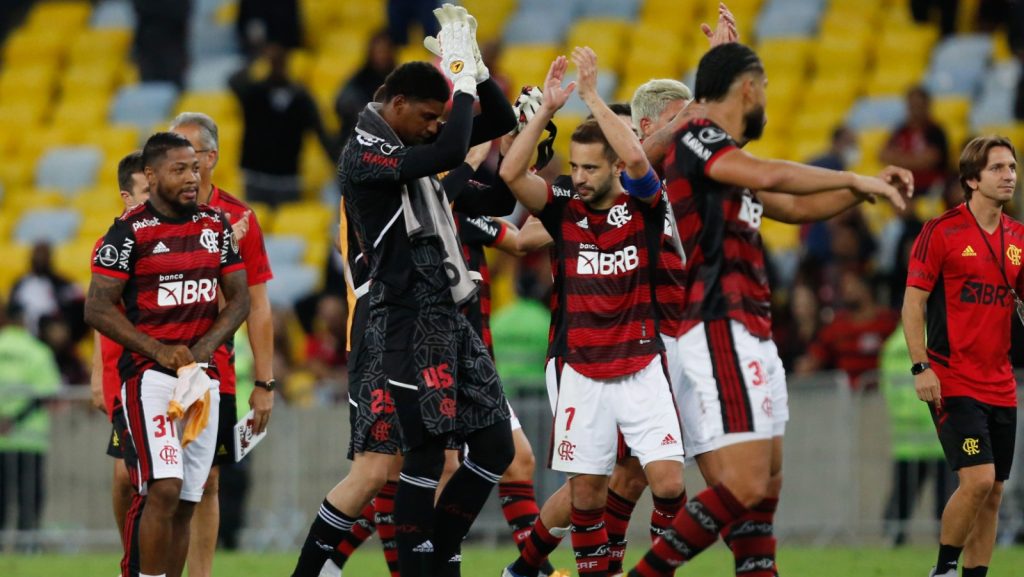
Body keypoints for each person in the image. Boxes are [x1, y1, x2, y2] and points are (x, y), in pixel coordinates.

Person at [625, 42, 912, 577]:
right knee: (746, 482)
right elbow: (774, 177)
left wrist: (860, 195)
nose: (766, 101)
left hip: (751, 325)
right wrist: (853, 177)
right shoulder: (697, 137)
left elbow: (797, 205)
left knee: (768, 483)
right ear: (749, 88)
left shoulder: (726, 162)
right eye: (765, 90)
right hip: (718, 321)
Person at [290, 5, 517, 577]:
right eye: (428, 116)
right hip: (404, 319)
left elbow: (491, 123)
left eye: (441, 116)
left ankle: (435, 554)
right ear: (395, 107)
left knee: (494, 446)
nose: (437, 126)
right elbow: (451, 152)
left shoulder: (403, 144)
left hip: (448, 313)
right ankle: (423, 566)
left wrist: (478, 74)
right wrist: (459, 78)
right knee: (408, 460)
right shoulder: (364, 153)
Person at [500, 48, 687, 577]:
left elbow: (640, 162)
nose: (578, 177)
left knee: (668, 483)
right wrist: (548, 110)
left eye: (589, 168)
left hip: (642, 361)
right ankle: (552, 569)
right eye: (575, 167)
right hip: (580, 364)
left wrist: (592, 98)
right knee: (588, 490)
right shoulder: (563, 209)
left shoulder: (644, 206)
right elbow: (514, 174)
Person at [85, 132, 250, 577]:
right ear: (152, 175)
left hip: (202, 380)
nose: (191, 178)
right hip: (148, 380)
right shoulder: (127, 233)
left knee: (188, 499)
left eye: (195, 168)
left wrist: (202, 351)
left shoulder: (216, 227)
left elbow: (239, 299)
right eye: (179, 169)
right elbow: (96, 307)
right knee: (164, 487)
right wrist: (159, 350)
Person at [903, 135, 1020, 577]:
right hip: (953, 379)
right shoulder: (941, 231)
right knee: (978, 479)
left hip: (1001, 384)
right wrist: (921, 367)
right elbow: (913, 302)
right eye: (997, 168)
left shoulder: (1019, 238)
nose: (1009, 175)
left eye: (1011, 167)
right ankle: (944, 570)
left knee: (994, 492)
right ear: (972, 179)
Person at [169, 111, 275, 577]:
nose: (179, 162)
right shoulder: (153, 215)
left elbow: (258, 305)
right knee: (161, 484)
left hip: (217, 371)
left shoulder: (240, 219)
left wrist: (266, 382)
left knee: (207, 481)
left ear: (210, 157)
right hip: (157, 367)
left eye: (187, 152)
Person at [87, 151, 150, 551]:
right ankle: (132, 553)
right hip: (122, 373)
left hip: (161, 372)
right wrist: (97, 373)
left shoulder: (176, 236)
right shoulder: (111, 243)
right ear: (127, 197)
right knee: (124, 477)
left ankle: (151, 558)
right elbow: (98, 310)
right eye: (147, 189)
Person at [229, 43, 336, 206]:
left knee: (287, 225)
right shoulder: (254, 93)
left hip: (288, 180)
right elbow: (233, 81)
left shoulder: (301, 98)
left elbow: (322, 135)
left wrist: (339, 165)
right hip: (256, 178)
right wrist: (256, 57)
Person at [879, 323, 953, 546]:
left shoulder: (893, 344)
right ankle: (948, 540)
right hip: (938, 433)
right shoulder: (939, 337)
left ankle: (892, 536)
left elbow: (887, 386)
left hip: (907, 435)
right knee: (946, 497)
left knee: (902, 494)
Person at [0, 299, 61, 544]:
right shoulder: (37, 351)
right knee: (30, 496)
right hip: (30, 438)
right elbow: (46, 392)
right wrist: (15, 420)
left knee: (1, 498)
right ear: (24, 321)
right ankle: (29, 545)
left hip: (1, 440)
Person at [796, 268, 899, 389]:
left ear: (865, 287)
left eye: (851, 284)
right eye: (843, 286)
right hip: (850, 398)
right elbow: (814, 358)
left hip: (883, 394)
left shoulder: (888, 320)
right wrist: (806, 366)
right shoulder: (837, 325)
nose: (846, 290)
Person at [880, 85, 950, 196]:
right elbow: (883, 155)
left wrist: (899, 159)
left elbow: (930, 160)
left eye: (919, 106)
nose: (915, 110)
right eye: (912, 106)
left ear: (927, 106)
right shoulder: (900, 130)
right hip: (904, 186)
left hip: (930, 187)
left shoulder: (935, 131)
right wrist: (914, 159)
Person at [9, 242, 85, 340]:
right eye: (37, 255)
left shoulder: (63, 283)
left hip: (53, 335)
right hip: (24, 333)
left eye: (43, 255)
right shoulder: (21, 284)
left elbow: (78, 308)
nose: (40, 258)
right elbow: (12, 309)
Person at [335, 31, 397, 144]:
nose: (382, 55)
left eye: (385, 51)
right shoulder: (359, 79)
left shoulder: (399, 77)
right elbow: (341, 103)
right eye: (378, 51)